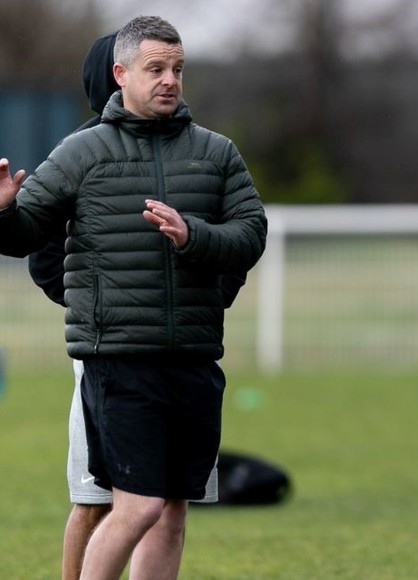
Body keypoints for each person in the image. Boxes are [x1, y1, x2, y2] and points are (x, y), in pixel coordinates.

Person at [0, 15, 266, 579]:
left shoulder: (216, 152)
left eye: (177, 69)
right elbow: (24, 238)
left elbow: (251, 235)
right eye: (156, 69)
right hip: (119, 360)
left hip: (194, 359)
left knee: (171, 514)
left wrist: (194, 237)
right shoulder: (81, 152)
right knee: (134, 506)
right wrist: (3, 211)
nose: (170, 80)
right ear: (121, 74)